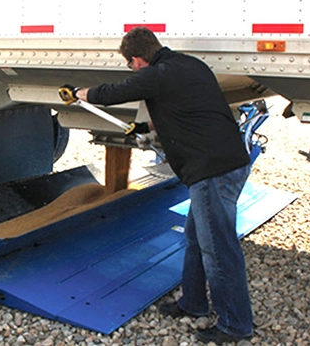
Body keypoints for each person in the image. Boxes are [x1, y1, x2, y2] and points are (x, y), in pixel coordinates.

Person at [58, 26, 253, 344]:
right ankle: (193, 303)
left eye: (130, 65)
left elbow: (111, 93)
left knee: (218, 249)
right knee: (197, 239)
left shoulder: (155, 74)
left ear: (137, 60)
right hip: (228, 164)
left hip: (211, 172)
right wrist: (145, 126)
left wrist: (77, 93)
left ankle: (236, 325)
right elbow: (182, 108)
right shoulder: (189, 66)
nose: (131, 70)